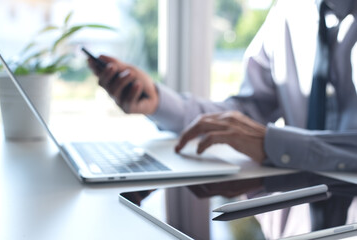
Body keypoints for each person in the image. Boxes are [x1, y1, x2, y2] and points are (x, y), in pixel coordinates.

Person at [88, 0, 357, 172]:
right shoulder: (288, 13)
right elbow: (247, 112)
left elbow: (258, 134)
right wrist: (158, 102)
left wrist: (273, 143)